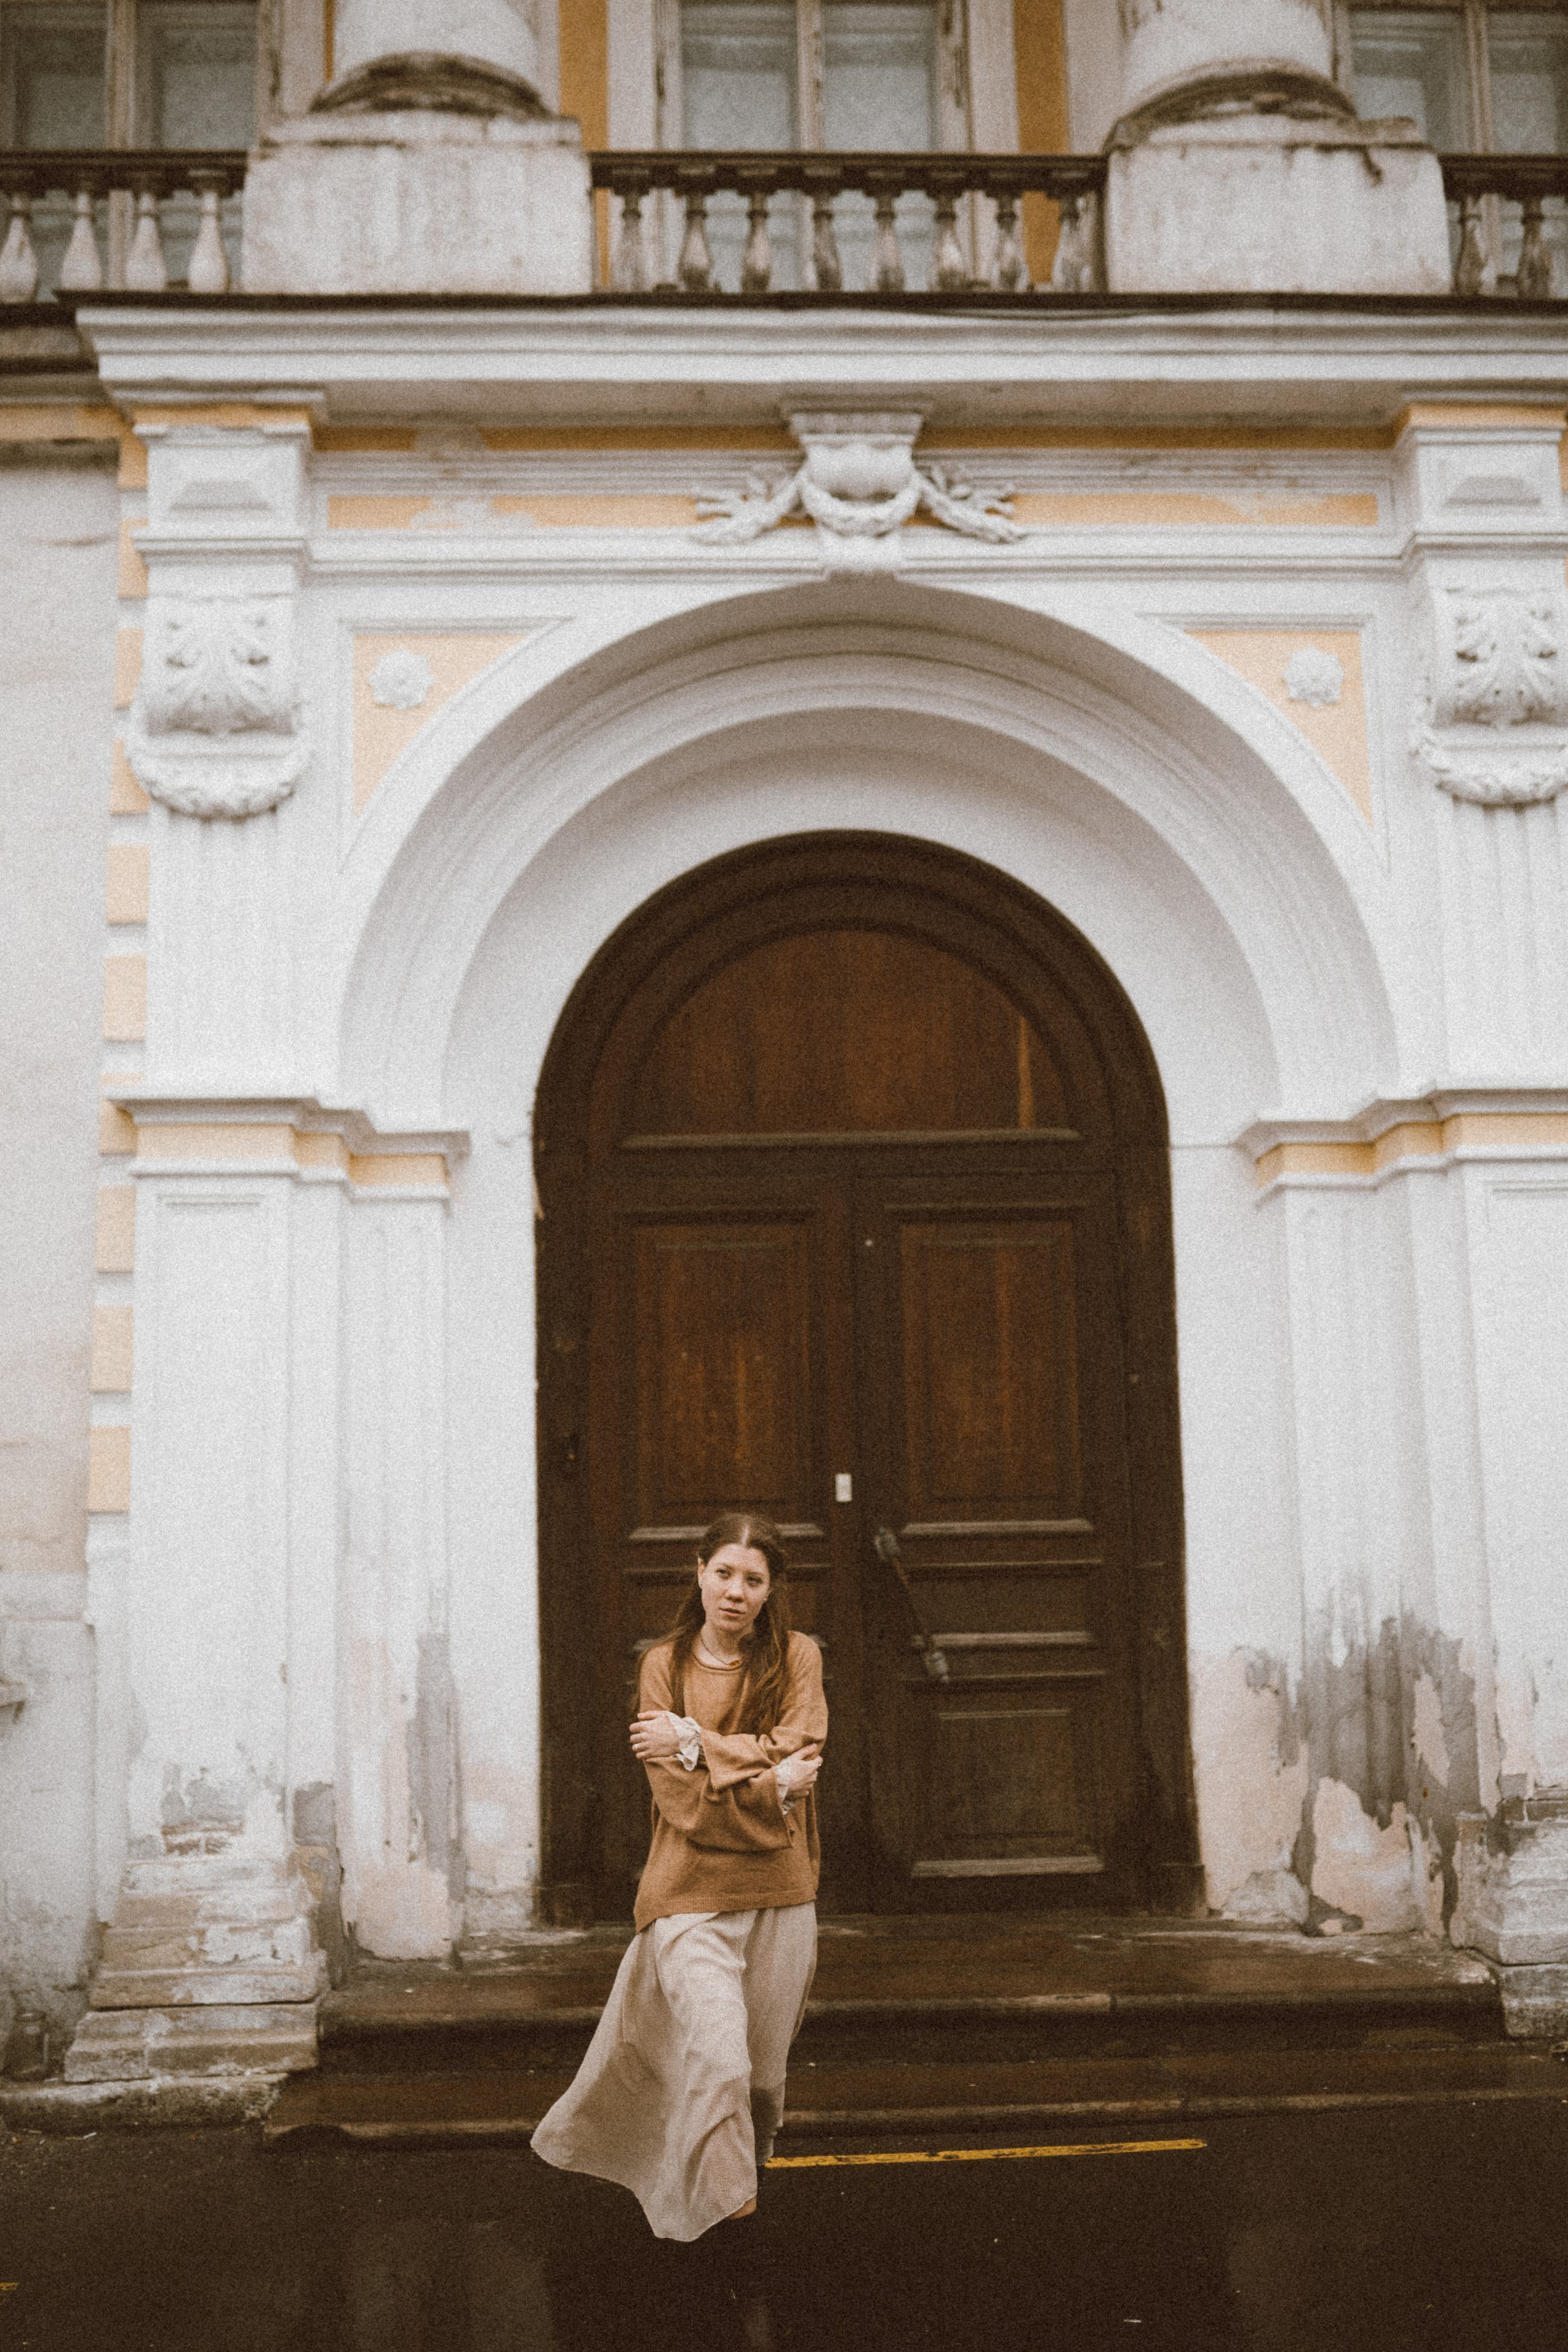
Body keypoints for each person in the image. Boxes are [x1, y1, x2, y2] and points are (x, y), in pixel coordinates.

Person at [530, 1512, 827, 2242]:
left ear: (770, 1590)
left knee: (758, 2080)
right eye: (722, 1572)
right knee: (720, 2060)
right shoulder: (662, 1664)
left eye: (752, 1579)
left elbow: (803, 1749)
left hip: (781, 1893)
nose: (734, 1591)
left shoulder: (798, 1657)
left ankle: (732, 2189)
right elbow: (684, 1805)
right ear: (697, 1571)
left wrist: (693, 1739)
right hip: (687, 1895)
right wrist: (769, 1788)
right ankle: (729, 2233)